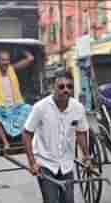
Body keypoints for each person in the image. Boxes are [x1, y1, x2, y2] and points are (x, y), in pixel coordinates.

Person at [22, 69, 90, 203]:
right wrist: (32, 162)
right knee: (51, 200)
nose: (66, 90)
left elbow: (81, 132)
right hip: (45, 162)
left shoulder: (78, 108)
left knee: (68, 200)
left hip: (66, 163)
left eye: (69, 87)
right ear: (53, 87)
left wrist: (86, 156)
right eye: (61, 86)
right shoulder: (40, 107)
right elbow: (27, 133)